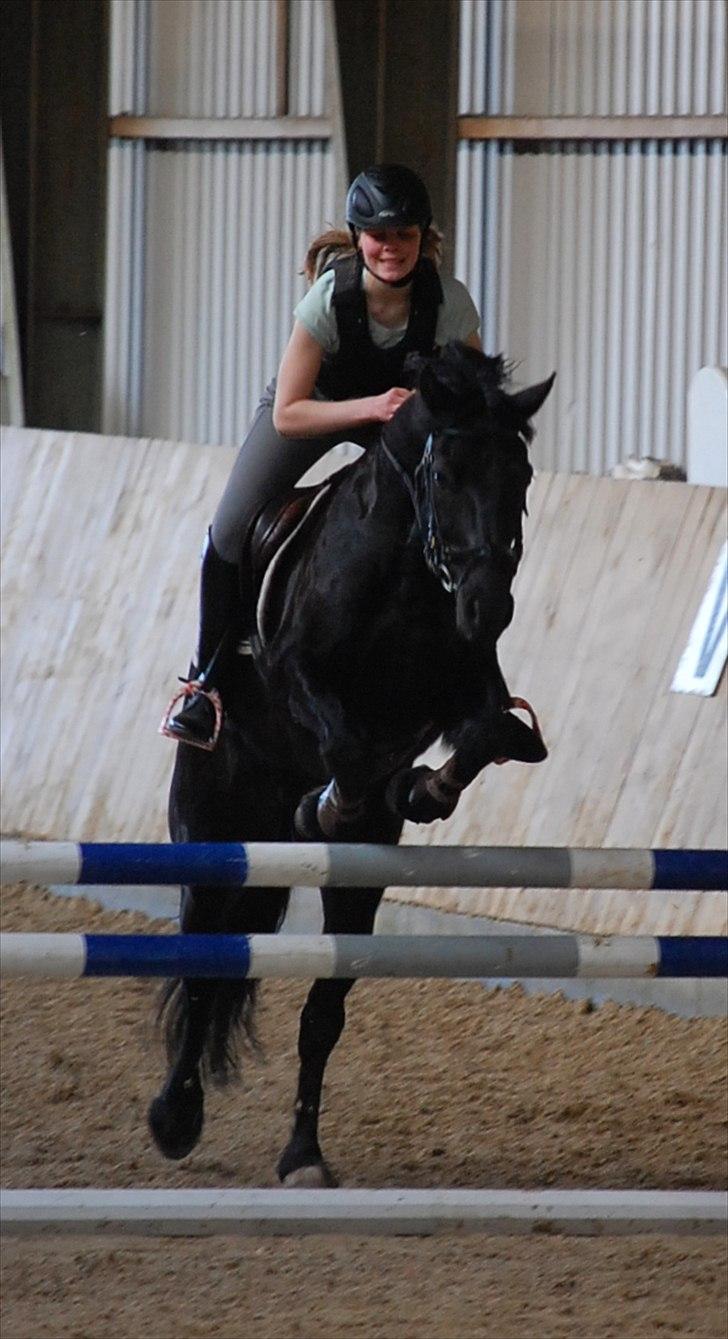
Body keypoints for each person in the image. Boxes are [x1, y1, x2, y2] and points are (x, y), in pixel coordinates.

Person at [164, 164, 482, 748]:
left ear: (423, 238)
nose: (391, 249)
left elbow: (470, 404)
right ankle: (206, 681)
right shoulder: (328, 300)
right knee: (230, 529)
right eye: (379, 238)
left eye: (404, 236)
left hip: (395, 421)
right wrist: (372, 408)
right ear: (359, 238)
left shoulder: (451, 305)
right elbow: (289, 413)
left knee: (460, 522)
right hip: (318, 408)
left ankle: (471, 677)